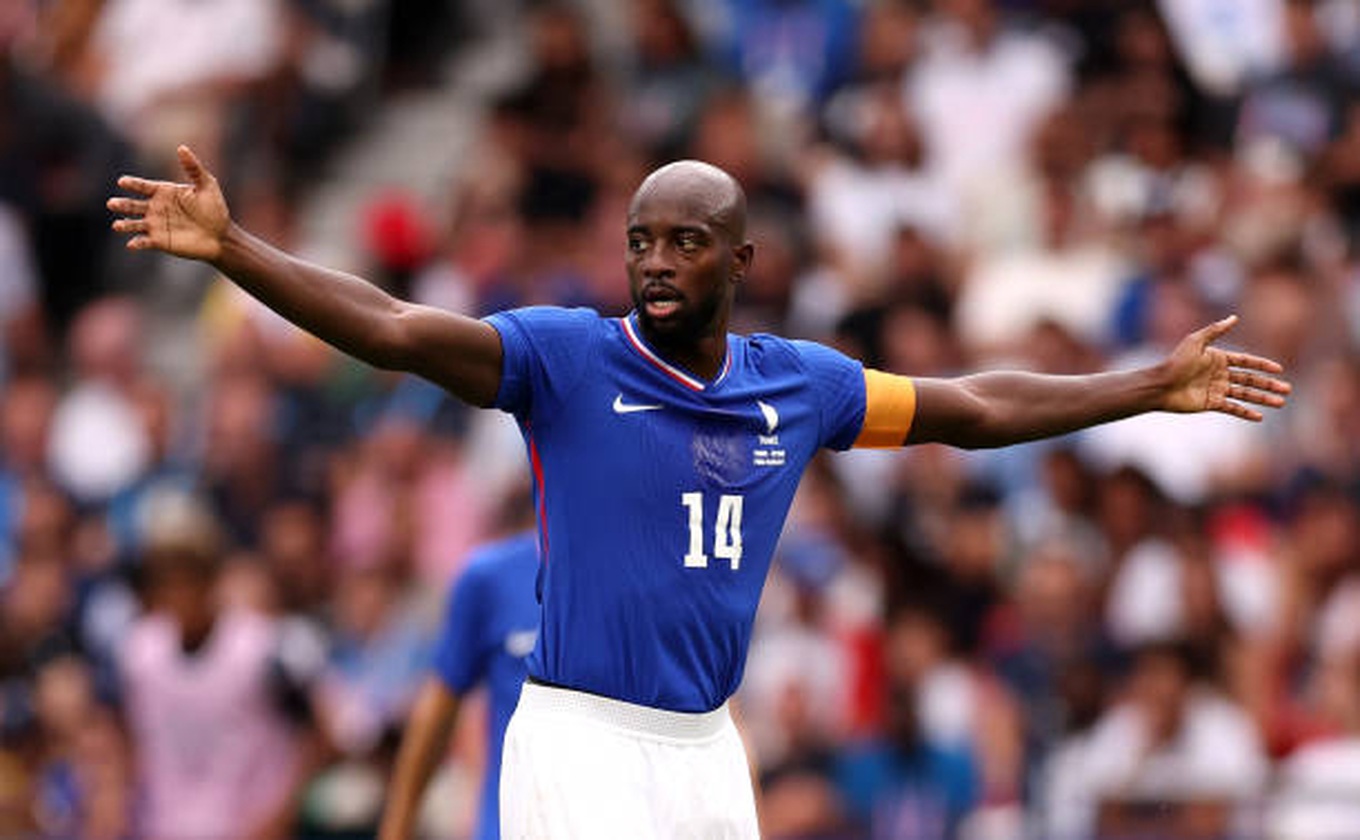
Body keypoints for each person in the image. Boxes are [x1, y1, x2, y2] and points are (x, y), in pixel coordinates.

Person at [107, 147, 1290, 838]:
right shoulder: (566, 359)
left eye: (683, 243)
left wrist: (1144, 387)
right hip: (575, 741)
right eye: (640, 242)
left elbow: (972, 409)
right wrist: (238, 251)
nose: (656, 264)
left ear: (740, 261)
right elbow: (399, 330)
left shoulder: (801, 388)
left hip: (707, 747)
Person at [378, 530, 539, 840]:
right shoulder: (490, 579)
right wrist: (396, 829)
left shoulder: (641, 578)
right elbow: (439, 706)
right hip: (506, 828)